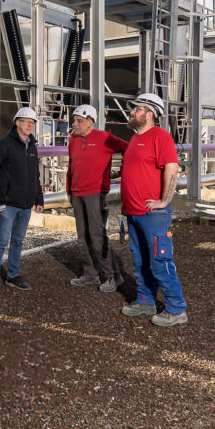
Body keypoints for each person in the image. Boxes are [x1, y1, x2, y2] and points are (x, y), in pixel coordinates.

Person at [119, 92, 188, 326]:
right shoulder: (135, 139)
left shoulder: (160, 137)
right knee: (139, 261)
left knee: (160, 260)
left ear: (150, 114)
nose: (132, 112)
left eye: (137, 109)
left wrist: (164, 201)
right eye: (134, 109)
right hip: (134, 212)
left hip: (153, 214)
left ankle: (176, 309)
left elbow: (171, 168)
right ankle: (146, 301)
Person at [0, 107, 45, 297]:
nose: (29, 125)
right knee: (1, 241)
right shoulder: (5, 144)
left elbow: (35, 175)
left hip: (26, 204)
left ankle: (12, 276)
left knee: (18, 241)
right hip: (8, 203)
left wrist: (38, 199)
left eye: (32, 122)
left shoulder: (32, 147)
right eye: (26, 121)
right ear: (17, 122)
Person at [66, 104, 128, 292]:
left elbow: (129, 149)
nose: (75, 124)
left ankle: (111, 276)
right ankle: (90, 274)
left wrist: (122, 171)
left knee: (97, 235)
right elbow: (71, 167)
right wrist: (69, 191)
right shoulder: (73, 140)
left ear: (90, 122)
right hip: (76, 193)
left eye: (79, 121)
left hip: (95, 193)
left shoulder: (104, 138)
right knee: (82, 237)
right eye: (75, 120)